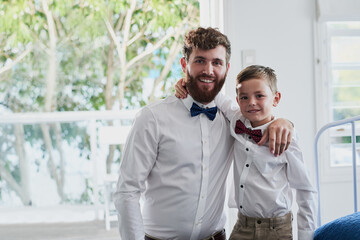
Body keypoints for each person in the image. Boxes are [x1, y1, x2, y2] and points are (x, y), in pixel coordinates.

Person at [114, 27, 293, 240]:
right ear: (184, 65)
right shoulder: (151, 118)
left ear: (226, 69)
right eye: (200, 61)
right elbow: (127, 191)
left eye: (216, 63)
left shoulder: (233, 120)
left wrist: (284, 122)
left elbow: (261, 120)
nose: (208, 70)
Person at [227, 65, 317, 240]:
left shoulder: (287, 138)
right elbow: (215, 98)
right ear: (237, 101)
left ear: (276, 99)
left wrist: (306, 235)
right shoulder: (235, 121)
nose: (251, 102)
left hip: (276, 229)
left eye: (259, 96)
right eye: (244, 97)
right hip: (242, 226)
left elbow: (305, 189)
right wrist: (184, 84)